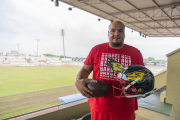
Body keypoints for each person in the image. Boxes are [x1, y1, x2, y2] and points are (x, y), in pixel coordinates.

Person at [75, 21, 144, 120]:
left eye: (120, 31)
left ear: (124, 34)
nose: (116, 34)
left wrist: (141, 87)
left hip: (125, 108)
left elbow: (141, 75)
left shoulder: (135, 53)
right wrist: (79, 81)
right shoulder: (96, 49)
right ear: (108, 33)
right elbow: (86, 69)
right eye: (113, 31)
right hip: (99, 106)